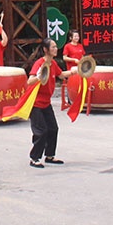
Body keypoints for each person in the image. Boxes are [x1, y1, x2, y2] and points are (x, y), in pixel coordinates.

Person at [26, 38, 64, 168]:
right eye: (53, 47)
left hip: (46, 103)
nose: (56, 49)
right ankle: (34, 158)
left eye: (56, 47)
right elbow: (29, 81)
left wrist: (77, 71)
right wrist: (39, 77)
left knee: (53, 128)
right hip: (36, 103)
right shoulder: (39, 64)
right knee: (41, 131)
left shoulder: (53, 63)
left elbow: (61, 75)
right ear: (45, 50)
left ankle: (49, 156)